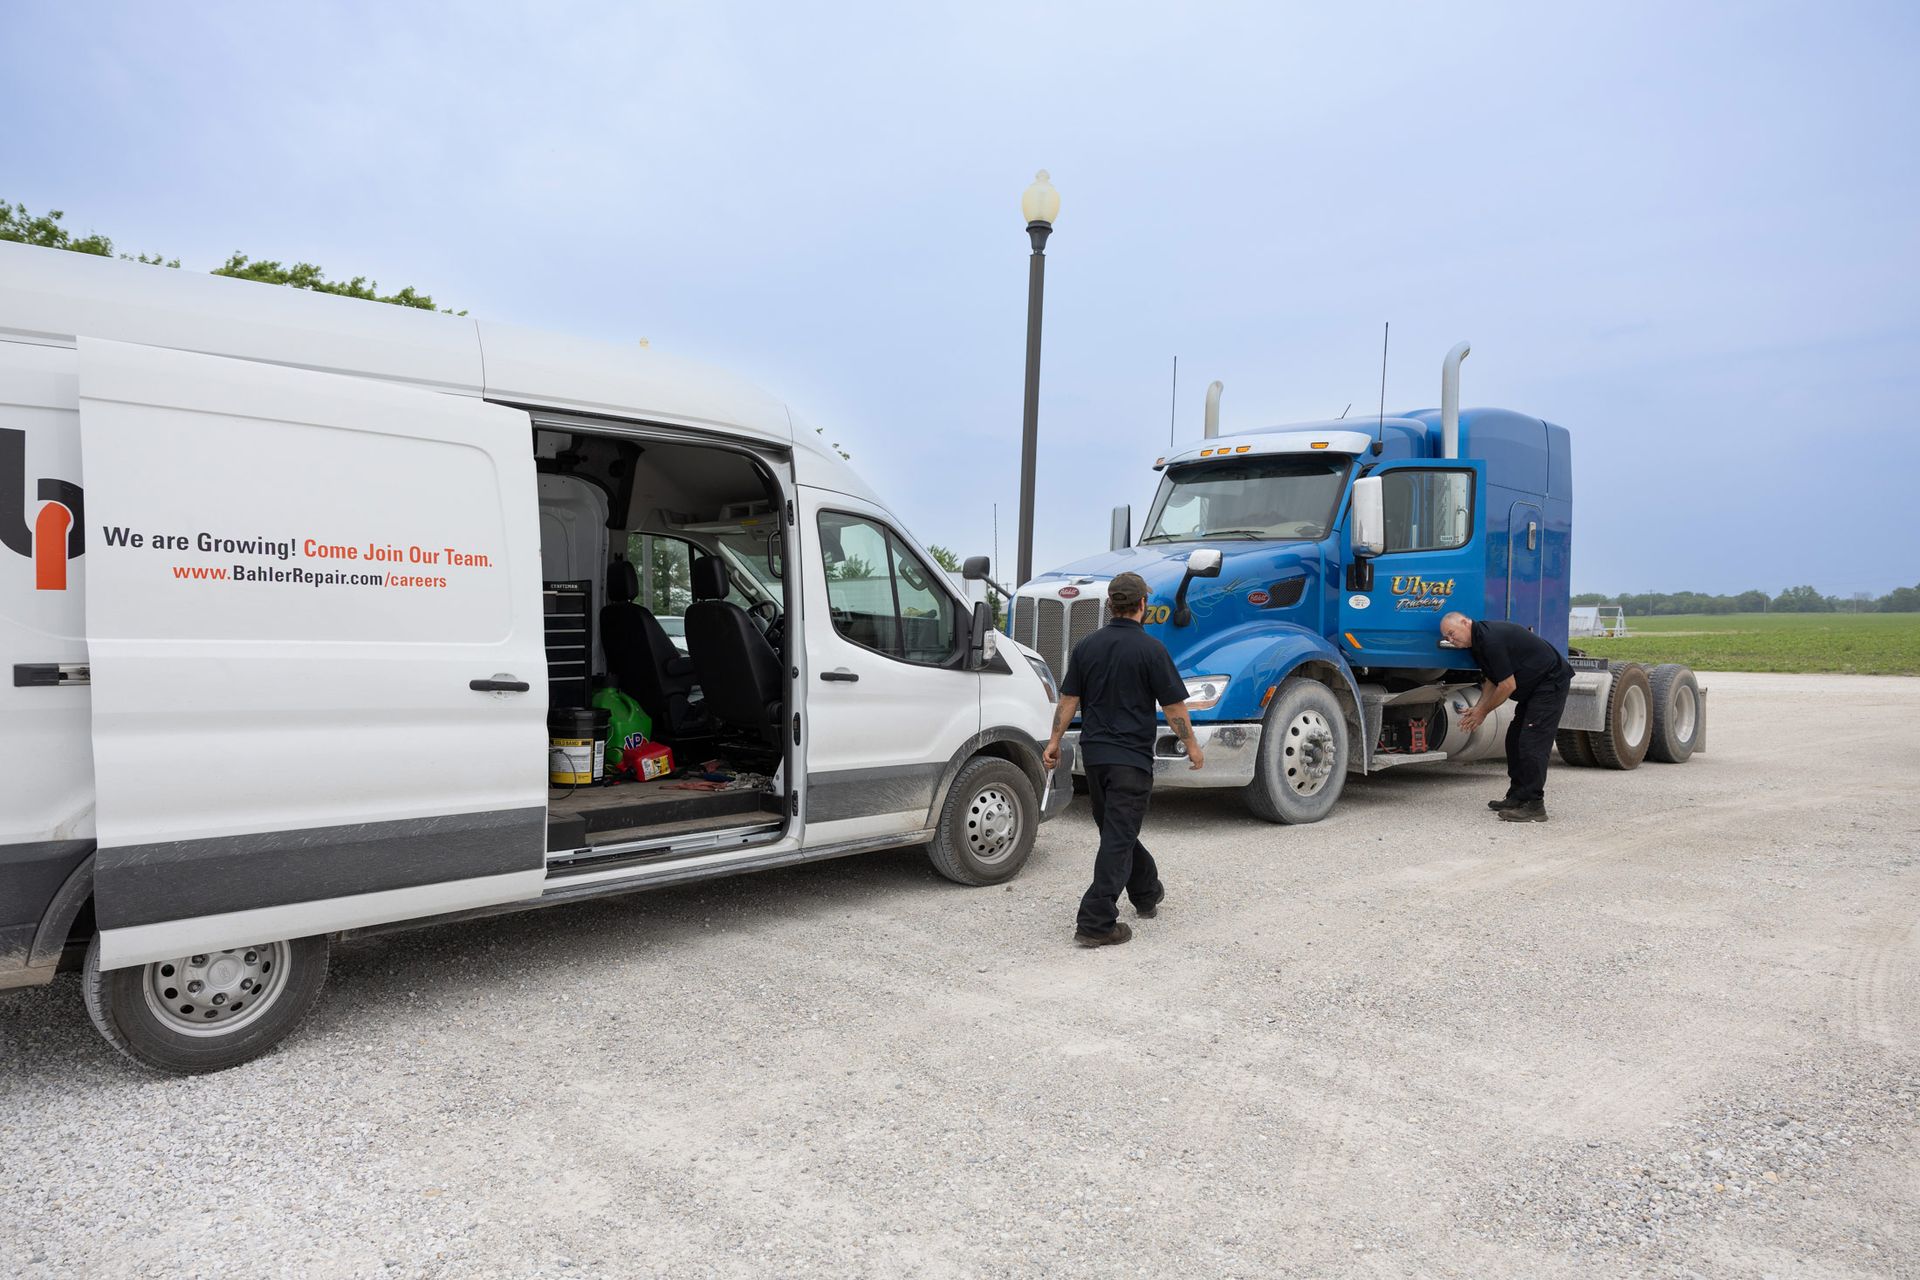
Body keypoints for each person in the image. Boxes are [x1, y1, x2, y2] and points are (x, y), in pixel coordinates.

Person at [1042, 572, 1203, 947]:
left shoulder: (1086, 647)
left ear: (1110, 605)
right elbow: (1173, 705)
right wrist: (1192, 745)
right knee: (1117, 836)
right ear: (1142, 605)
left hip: (1095, 759)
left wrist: (1053, 741)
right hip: (1130, 760)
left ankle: (1147, 892)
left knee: (1117, 832)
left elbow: (1068, 701)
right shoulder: (1152, 650)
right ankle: (1096, 921)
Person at [1440, 611, 1574, 822]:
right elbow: (1492, 680)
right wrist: (1478, 707)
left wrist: (1483, 713)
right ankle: (1518, 796)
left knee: (1532, 742)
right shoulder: (1478, 643)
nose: (1450, 639)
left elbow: (1507, 685)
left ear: (1465, 622)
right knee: (1514, 739)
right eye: (1446, 637)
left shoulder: (1490, 639)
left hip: (1550, 682)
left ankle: (1534, 805)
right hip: (1534, 688)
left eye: (1451, 633)